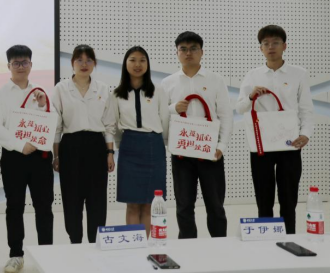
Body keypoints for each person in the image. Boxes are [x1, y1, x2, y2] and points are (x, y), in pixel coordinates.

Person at [236, 25, 314, 234]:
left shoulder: (299, 74)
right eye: (266, 43)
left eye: (276, 43)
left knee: (289, 198)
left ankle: (289, 239)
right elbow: (240, 107)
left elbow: (306, 109)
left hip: (290, 142)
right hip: (261, 145)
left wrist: (305, 134)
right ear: (260, 48)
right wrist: (251, 96)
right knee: (264, 198)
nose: (271, 47)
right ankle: (266, 241)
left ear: (285, 46)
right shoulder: (252, 75)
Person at [0, 45, 55, 273]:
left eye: (24, 62)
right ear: (8, 66)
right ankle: (16, 255)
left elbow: (50, 123)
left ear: (31, 65)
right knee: (14, 206)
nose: (20, 66)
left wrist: (42, 105)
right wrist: (19, 145)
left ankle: (46, 254)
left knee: (44, 206)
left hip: (40, 158)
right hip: (13, 158)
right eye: (16, 63)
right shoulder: (0, 94)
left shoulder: (41, 93)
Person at [161, 32, 233, 239]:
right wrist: (173, 108)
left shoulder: (216, 80)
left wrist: (221, 146)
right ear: (177, 53)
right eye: (183, 49)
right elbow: (160, 115)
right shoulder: (167, 83)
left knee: (215, 205)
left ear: (202, 52)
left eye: (193, 48)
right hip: (181, 152)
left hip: (211, 152)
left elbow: (225, 115)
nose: (188, 53)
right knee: (184, 205)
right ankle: (187, 247)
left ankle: (219, 246)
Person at [51, 45, 115, 244]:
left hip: (96, 146)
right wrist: (56, 155)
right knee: (72, 198)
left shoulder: (102, 88)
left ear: (94, 64)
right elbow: (56, 127)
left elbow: (109, 124)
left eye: (88, 60)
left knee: (97, 198)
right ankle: (75, 242)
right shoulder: (61, 89)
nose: (84, 64)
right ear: (72, 63)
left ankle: (95, 242)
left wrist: (110, 153)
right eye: (79, 60)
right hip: (70, 146)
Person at [109, 46, 170, 233]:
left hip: (154, 147)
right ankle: (135, 243)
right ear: (125, 64)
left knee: (149, 203)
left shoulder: (158, 91)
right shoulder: (117, 93)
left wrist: (162, 144)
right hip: (129, 148)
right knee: (132, 203)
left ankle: (146, 244)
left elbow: (165, 120)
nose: (138, 64)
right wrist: (119, 146)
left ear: (148, 64)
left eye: (142, 60)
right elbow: (113, 125)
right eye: (133, 60)